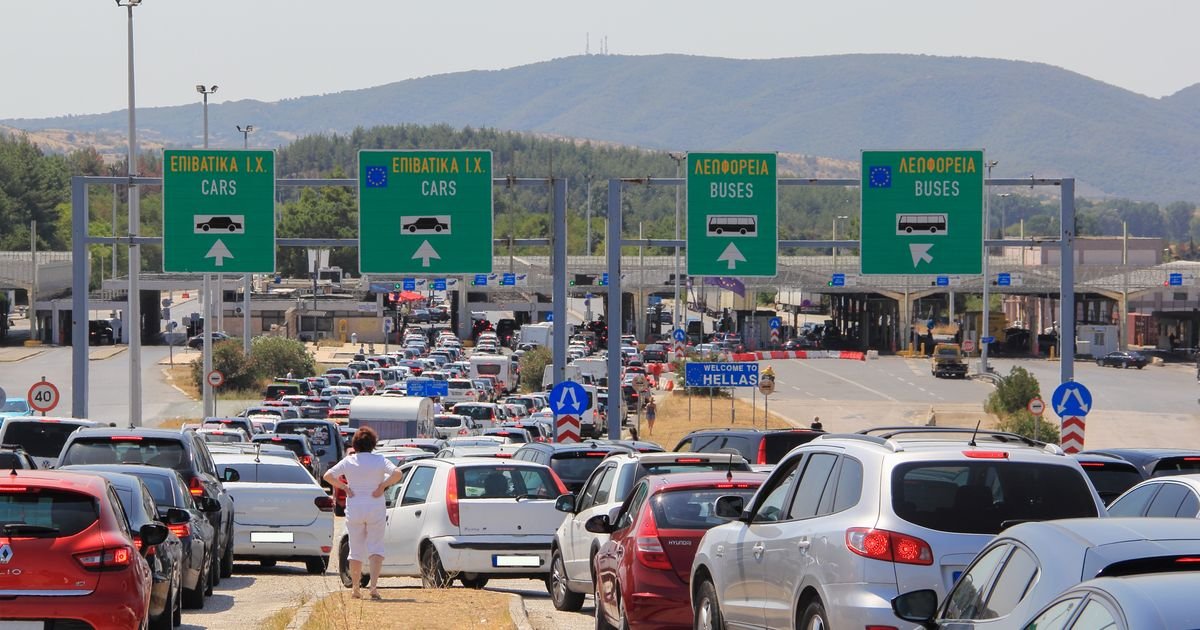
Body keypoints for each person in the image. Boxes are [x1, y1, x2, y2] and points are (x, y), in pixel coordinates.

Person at [323, 427, 399, 600]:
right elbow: (397, 473)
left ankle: (356, 588)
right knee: (376, 547)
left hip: (355, 507)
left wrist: (344, 487)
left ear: (355, 444)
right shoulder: (379, 459)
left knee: (355, 549)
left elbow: (328, 476)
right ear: (373, 444)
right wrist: (382, 486)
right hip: (375, 507)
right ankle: (373, 587)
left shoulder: (349, 461)